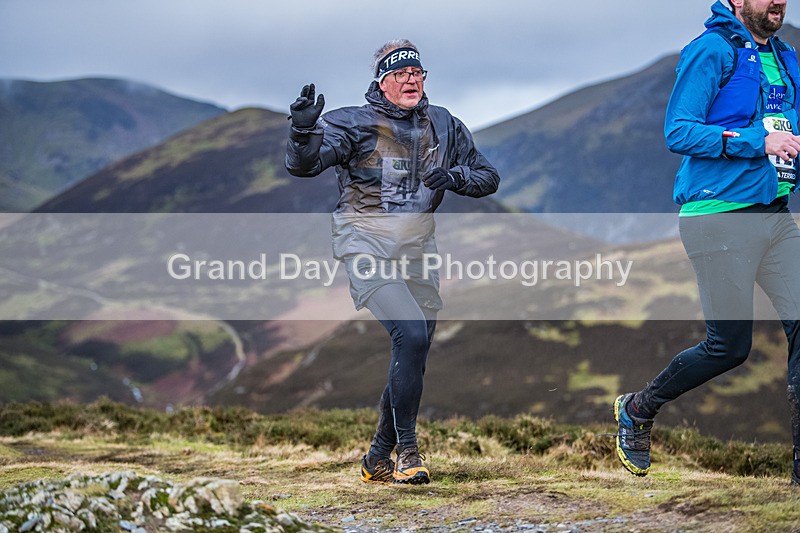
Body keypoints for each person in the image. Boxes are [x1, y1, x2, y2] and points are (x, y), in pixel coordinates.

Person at [285, 39, 500, 484]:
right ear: (381, 81)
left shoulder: (444, 124)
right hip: (364, 245)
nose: (411, 80)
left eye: (417, 73)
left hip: (418, 251)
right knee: (411, 334)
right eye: (400, 74)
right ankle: (408, 453)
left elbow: (488, 177)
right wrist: (302, 133)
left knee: (414, 350)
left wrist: (455, 176)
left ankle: (377, 458)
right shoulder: (352, 123)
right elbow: (304, 166)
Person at [614, 0, 800, 483]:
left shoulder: (786, 57)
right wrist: (755, 141)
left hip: (775, 214)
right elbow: (679, 130)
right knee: (729, 348)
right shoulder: (710, 51)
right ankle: (638, 408)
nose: (777, 0)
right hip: (717, 217)